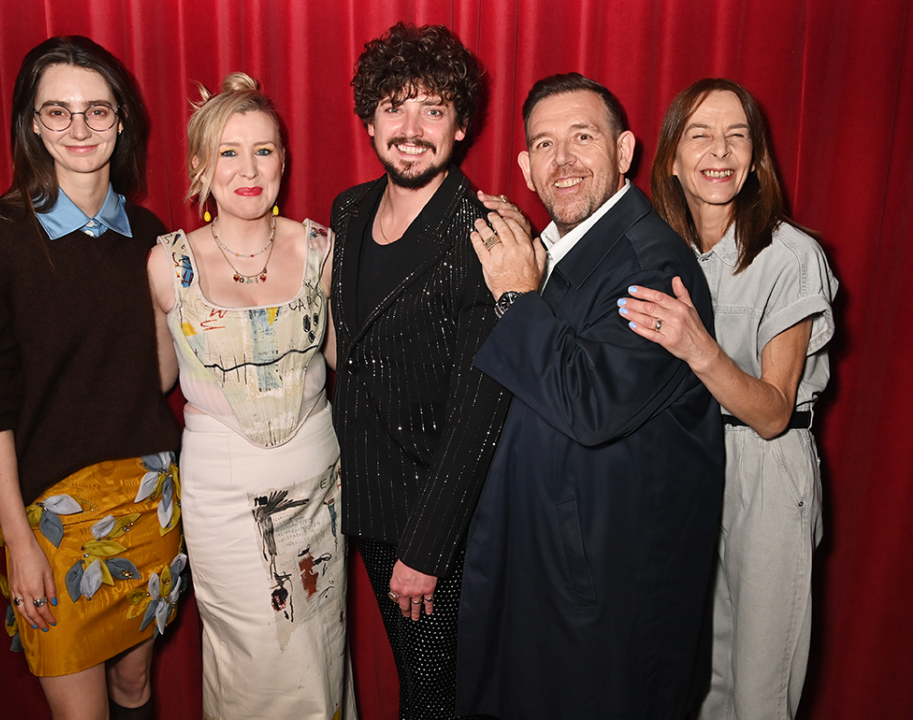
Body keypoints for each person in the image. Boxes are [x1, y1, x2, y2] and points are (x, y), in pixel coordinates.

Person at [455, 72, 725, 720]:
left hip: (606, 597)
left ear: (625, 151)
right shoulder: (552, 250)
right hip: (545, 574)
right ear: (525, 165)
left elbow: (591, 403)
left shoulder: (651, 263)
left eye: (583, 137)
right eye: (545, 145)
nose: (564, 160)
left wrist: (518, 295)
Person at [0, 36, 183, 720]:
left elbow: (157, 377)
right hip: (50, 516)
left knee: (135, 688)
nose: (79, 129)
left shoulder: (149, 234)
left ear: (122, 121)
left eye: (97, 111)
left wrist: (175, 300)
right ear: (31, 123)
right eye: (57, 111)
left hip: (150, 499)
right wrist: (20, 541)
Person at [617, 78, 838, 720]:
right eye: (700, 134)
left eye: (737, 136)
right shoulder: (663, 253)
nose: (720, 150)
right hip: (688, 463)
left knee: (760, 687)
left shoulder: (791, 255)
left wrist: (699, 347)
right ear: (672, 159)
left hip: (766, 469)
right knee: (701, 677)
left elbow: (772, 411)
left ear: (756, 156)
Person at [147, 72, 353, 720]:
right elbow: (157, 378)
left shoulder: (320, 249)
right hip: (223, 507)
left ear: (283, 162)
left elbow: (345, 362)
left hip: (319, 494)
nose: (248, 168)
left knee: (319, 659)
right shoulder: (166, 262)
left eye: (263, 150)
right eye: (229, 152)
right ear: (201, 167)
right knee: (250, 671)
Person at [328, 22, 512, 719]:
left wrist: (427, 549)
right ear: (370, 117)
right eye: (394, 106)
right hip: (366, 507)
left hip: (438, 520)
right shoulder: (348, 212)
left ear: (460, 126)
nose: (411, 128)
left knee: (435, 693)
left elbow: (479, 413)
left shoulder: (483, 234)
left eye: (433, 109)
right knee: (417, 682)